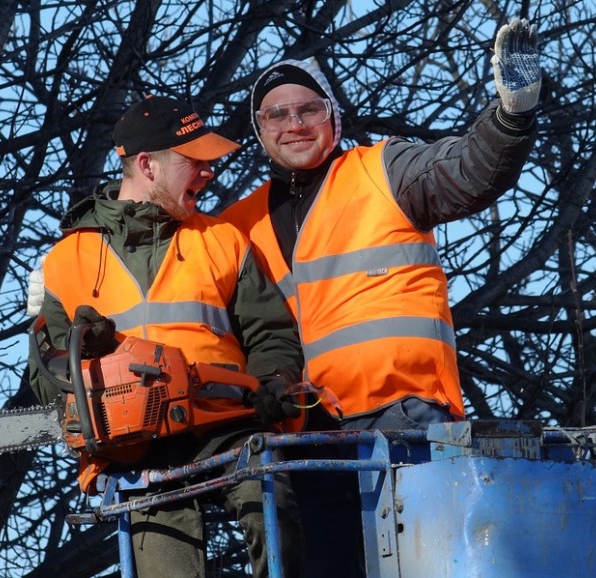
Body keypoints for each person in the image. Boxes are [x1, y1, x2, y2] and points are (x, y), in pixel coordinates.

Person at [217, 18, 542, 578]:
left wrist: (510, 116)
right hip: (305, 441)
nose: (294, 123)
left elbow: (468, 169)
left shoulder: (384, 171)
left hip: (405, 419)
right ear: (260, 130)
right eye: (276, 114)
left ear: (333, 117)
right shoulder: (234, 228)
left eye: (309, 109)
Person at [29, 94, 304, 578]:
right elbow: (45, 376)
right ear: (147, 166)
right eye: (192, 161)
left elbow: (271, 334)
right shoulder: (65, 262)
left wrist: (275, 381)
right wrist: (83, 359)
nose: (207, 172)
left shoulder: (221, 241)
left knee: (270, 493)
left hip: (224, 419)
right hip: (133, 444)